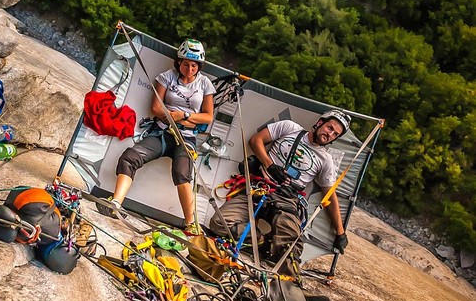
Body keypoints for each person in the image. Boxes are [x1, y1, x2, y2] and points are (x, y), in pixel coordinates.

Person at [209, 109, 351, 277]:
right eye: (330, 128)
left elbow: (329, 197)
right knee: (219, 223)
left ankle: (291, 286)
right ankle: (261, 242)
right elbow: (256, 141)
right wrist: (270, 165)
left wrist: (340, 232)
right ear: (320, 123)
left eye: (335, 134)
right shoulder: (289, 128)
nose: (330, 134)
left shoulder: (325, 160)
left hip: (287, 198)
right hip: (259, 187)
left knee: (290, 245)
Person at [97, 39, 216, 235]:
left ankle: (191, 224)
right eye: (186, 63)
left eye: (194, 65)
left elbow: (208, 116)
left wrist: (183, 116)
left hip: (185, 138)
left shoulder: (205, 84)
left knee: (182, 174)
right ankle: (116, 202)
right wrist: (177, 118)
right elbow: (156, 108)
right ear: (179, 62)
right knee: (130, 157)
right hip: (162, 132)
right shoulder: (166, 77)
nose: (189, 68)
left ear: (199, 66)